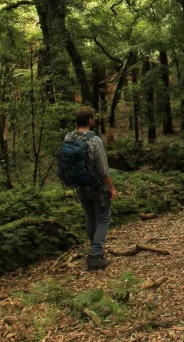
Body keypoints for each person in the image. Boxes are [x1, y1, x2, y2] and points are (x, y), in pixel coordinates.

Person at [65, 106, 117, 270]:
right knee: (102, 218)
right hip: (96, 186)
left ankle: (95, 250)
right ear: (90, 120)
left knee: (89, 217)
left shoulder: (68, 138)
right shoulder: (95, 141)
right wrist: (111, 188)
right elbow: (103, 170)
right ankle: (95, 255)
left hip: (79, 186)